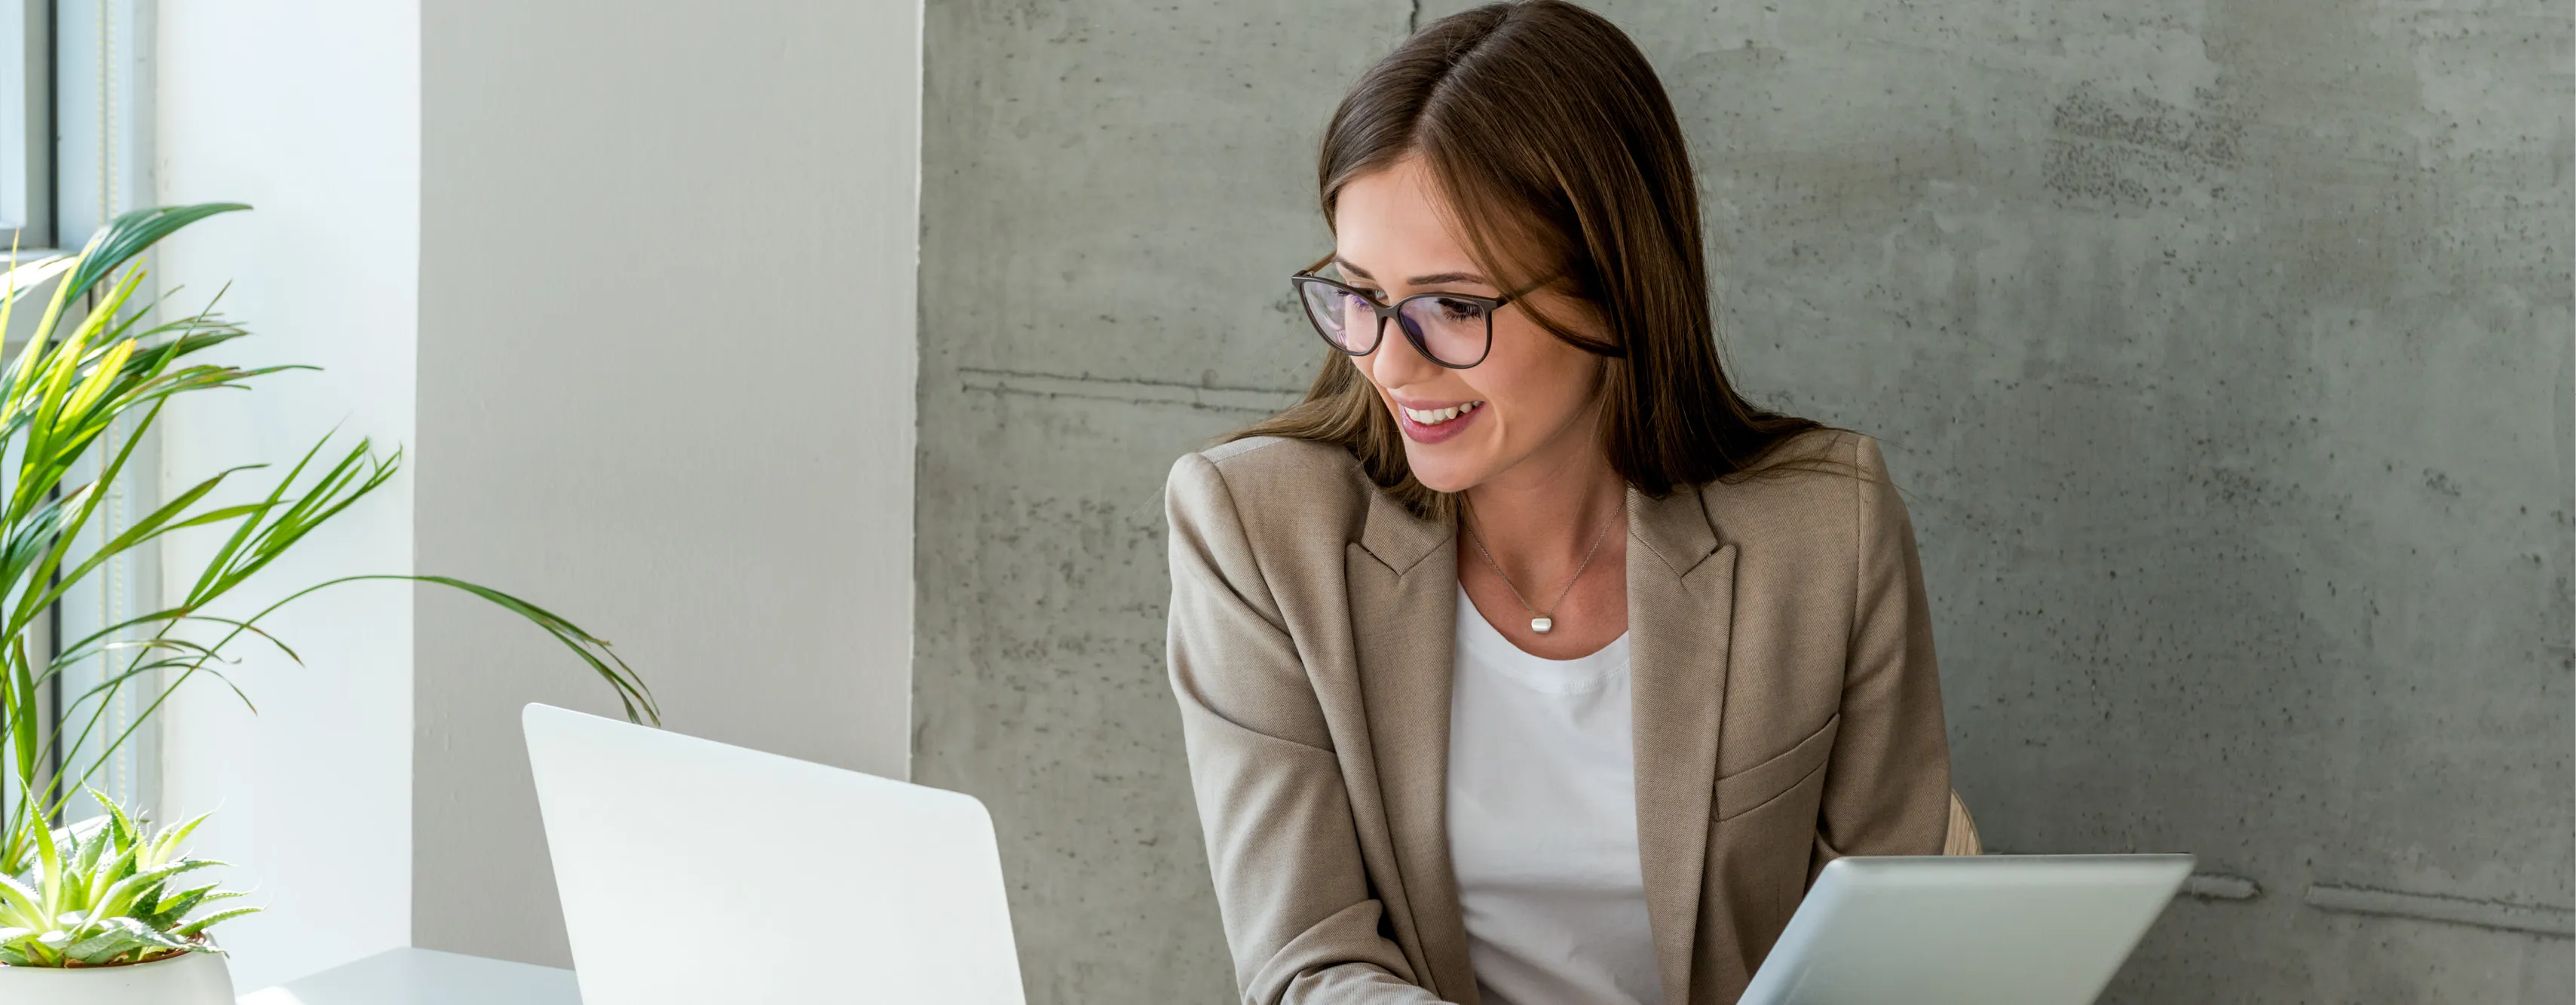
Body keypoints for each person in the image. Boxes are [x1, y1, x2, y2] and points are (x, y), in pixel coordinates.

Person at [1162, 3, 1962, 1003]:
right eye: (1360, 296)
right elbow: (1308, 967)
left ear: (1615, 292)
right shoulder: (1258, 528)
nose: (1389, 363)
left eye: (1454, 307)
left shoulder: (1826, 531)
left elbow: (1884, 955)